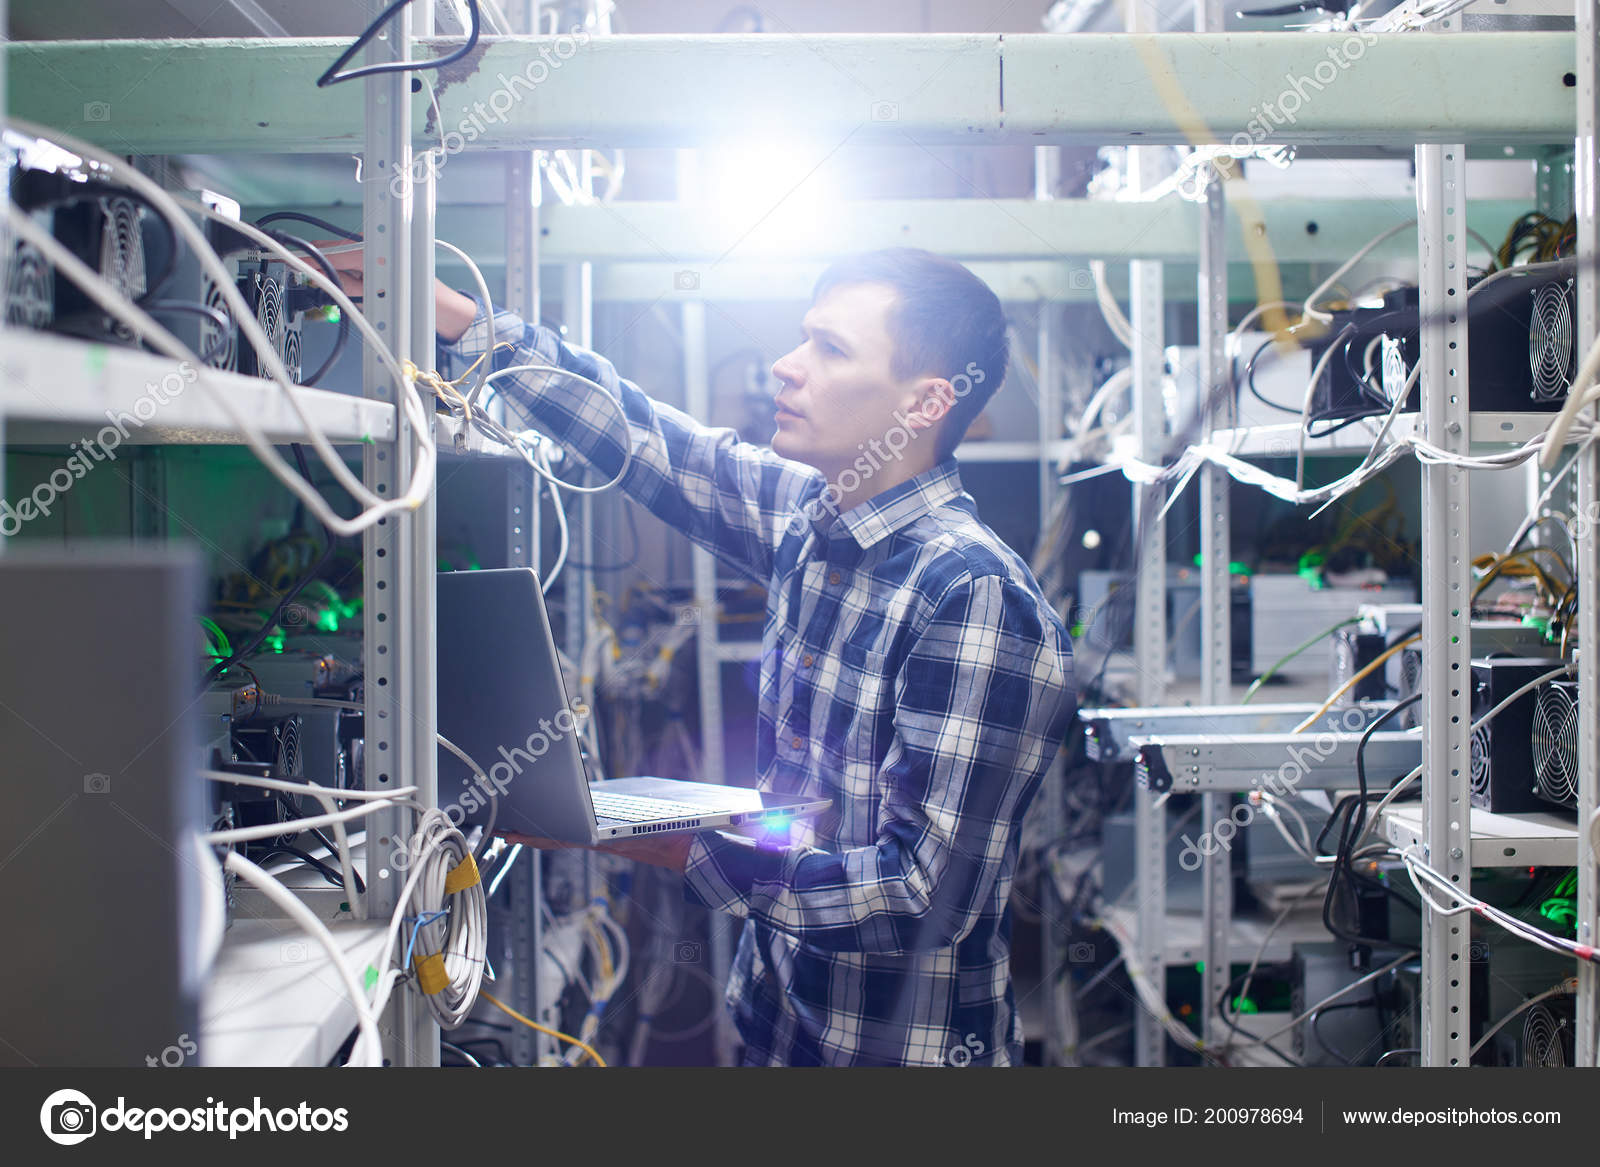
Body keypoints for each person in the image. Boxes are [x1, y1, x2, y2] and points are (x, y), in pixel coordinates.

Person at [350, 246, 1075, 1065]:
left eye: (830, 350)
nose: (785, 367)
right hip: (779, 1025)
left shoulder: (972, 597)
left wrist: (690, 848)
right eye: (804, 339)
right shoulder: (812, 519)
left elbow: (921, 897)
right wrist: (461, 319)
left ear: (925, 403)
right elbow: (654, 442)